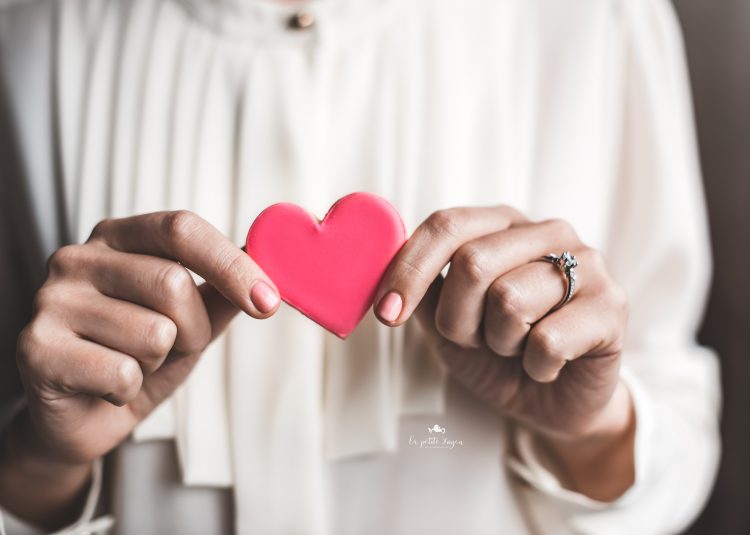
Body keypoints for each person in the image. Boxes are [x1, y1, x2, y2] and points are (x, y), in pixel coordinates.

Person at [0, 0, 720, 533]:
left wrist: (594, 426)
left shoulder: (595, 21)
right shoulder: (28, 34)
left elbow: (680, 439)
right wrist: (40, 459)